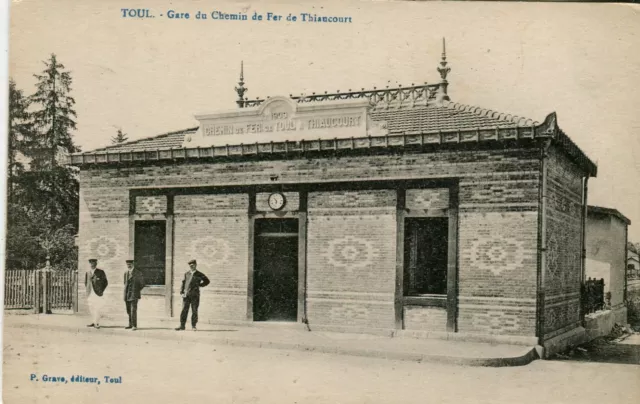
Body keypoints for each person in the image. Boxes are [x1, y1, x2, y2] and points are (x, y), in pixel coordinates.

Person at [176, 259, 210, 331]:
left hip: (195, 295)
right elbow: (183, 283)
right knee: (184, 310)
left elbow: (207, 281)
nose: (191, 267)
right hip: (186, 295)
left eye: (193, 265)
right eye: (190, 266)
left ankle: (193, 326)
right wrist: (182, 292)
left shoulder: (199, 274)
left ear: (195, 265)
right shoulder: (186, 274)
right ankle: (182, 326)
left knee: (194, 310)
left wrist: (200, 285)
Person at [85, 258, 108, 329]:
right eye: (91, 263)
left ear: (96, 264)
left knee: (97, 307)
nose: (92, 265)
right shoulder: (88, 273)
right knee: (91, 307)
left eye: (93, 263)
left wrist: (101, 290)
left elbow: (105, 282)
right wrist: (88, 290)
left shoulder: (101, 272)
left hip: (97, 293)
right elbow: (86, 283)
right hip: (90, 293)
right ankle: (93, 321)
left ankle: (96, 322)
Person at [123, 259, 145, 330]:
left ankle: (134, 325)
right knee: (128, 310)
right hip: (127, 295)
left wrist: (135, 291)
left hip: (134, 295)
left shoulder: (138, 273)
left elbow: (142, 284)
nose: (129, 266)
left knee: (133, 310)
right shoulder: (126, 273)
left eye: (130, 264)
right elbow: (125, 283)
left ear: (133, 264)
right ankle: (130, 324)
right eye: (127, 264)